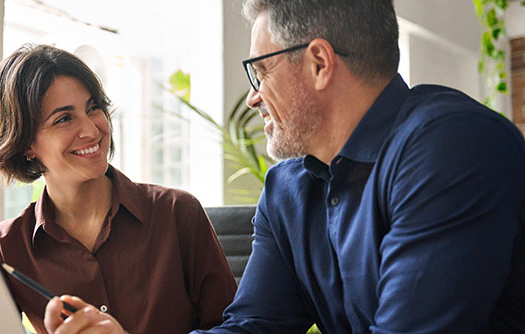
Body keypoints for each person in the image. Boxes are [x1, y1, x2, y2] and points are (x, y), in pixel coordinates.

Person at [44, 0, 525, 333]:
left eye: (261, 70)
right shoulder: (287, 188)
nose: (253, 97)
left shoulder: (452, 146)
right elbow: (256, 326)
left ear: (319, 62)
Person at [0, 44, 237, 334]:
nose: (92, 129)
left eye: (93, 108)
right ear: (26, 144)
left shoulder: (177, 214)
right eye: (64, 119)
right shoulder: (7, 247)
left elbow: (236, 330)